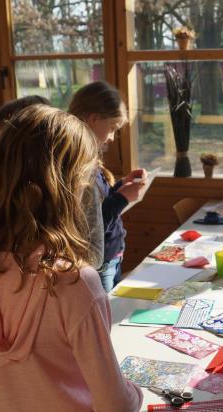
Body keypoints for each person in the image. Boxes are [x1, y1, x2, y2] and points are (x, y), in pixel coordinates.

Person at [0, 104, 142, 412]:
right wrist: (136, 394)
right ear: (72, 189)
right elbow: (115, 407)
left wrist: (13, 390)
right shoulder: (74, 281)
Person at [0, 95, 105, 269]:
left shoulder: (82, 184)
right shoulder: (4, 185)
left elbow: (94, 256)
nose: (8, 153)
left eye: (12, 140)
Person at [68, 81, 146, 292]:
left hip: (112, 257)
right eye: (112, 129)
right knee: (106, 321)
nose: (112, 138)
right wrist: (122, 198)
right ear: (93, 119)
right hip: (99, 265)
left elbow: (97, 201)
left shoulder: (89, 161)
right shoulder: (78, 167)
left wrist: (122, 185)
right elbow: (93, 223)